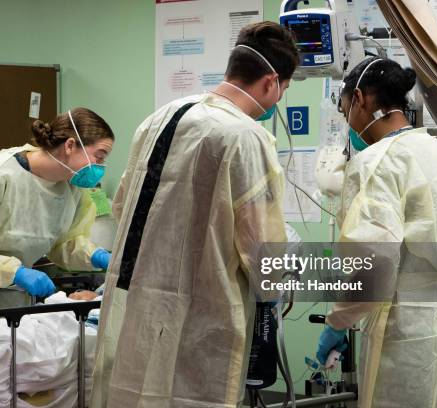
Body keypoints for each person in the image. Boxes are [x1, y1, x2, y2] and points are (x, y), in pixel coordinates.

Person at [90, 21, 298, 407]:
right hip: (204, 312)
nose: (278, 101)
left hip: (137, 303)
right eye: (284, 89)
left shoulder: (159, 118)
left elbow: (122, 206)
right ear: (271, 81)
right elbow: (262, 250)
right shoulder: (244, 136)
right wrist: (278, 286)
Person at [315, 57, 437, 407]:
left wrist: (338, 322)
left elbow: (374, 266)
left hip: (415, 339)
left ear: (361, 100)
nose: (348, 122)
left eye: (345, 112)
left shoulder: (376, 164)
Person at [0, 107, 115, 310]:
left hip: (13, 301)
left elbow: (64, 244)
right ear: (70, 145)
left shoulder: (73, 188)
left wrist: (98, 256)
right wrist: (14, 272)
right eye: (100, 156)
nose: (101, 166)